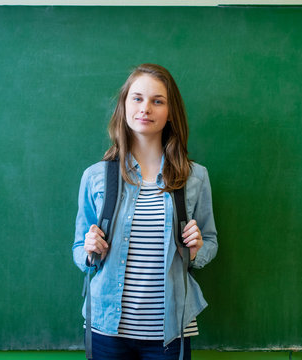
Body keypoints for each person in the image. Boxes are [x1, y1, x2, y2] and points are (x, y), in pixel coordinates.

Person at [72, 63, 217, 360]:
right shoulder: (96, 177)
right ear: (124, 106)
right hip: (106, 330)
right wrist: (89, 250)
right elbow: (80, 252)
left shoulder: (195, 178)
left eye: (157, 101)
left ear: (170, 111)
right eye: (137, 98)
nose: (145, 108)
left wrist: (196, 249)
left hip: (169, 332)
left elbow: (210, 244)